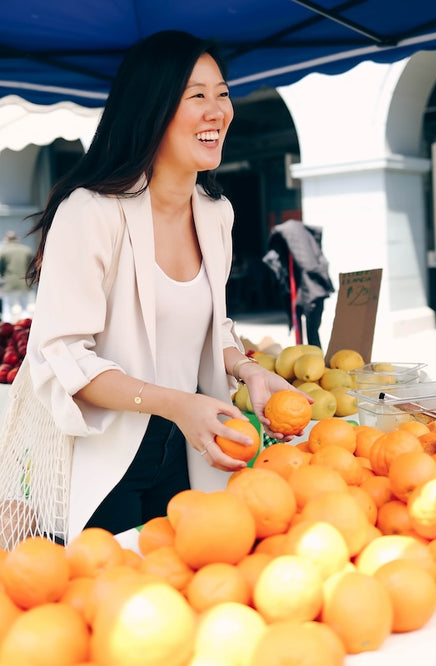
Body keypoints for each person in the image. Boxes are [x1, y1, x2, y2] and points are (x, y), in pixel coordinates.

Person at [25, 30, 306, 542]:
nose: (217, 110)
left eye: (222, 93)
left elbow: (212, 324)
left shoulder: (216, 213)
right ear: (152, 109)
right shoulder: (91, 212)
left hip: (186, 449)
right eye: (196, 95)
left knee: (185, 589)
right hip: (103, 457)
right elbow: (65, 356)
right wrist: (176, 403)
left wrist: (247, 369)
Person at [263, 219, 334, 348]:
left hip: (312, 292)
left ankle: (314, 358)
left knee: (312, 332)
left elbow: (307, 264)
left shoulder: (304, 244)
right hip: (306, 290)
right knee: (309, 333)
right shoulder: (300, 239)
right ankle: (308, 355)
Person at [0, 230, 34, 323]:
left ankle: (11, 332)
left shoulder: (3, 251)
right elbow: (32, 265)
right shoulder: (26, 249)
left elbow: (1, 268)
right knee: (27, 308)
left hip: (10, 283)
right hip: (25, 282)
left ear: (7, 239)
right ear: (17, 239)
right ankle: (26, 330)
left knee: (11, 309)